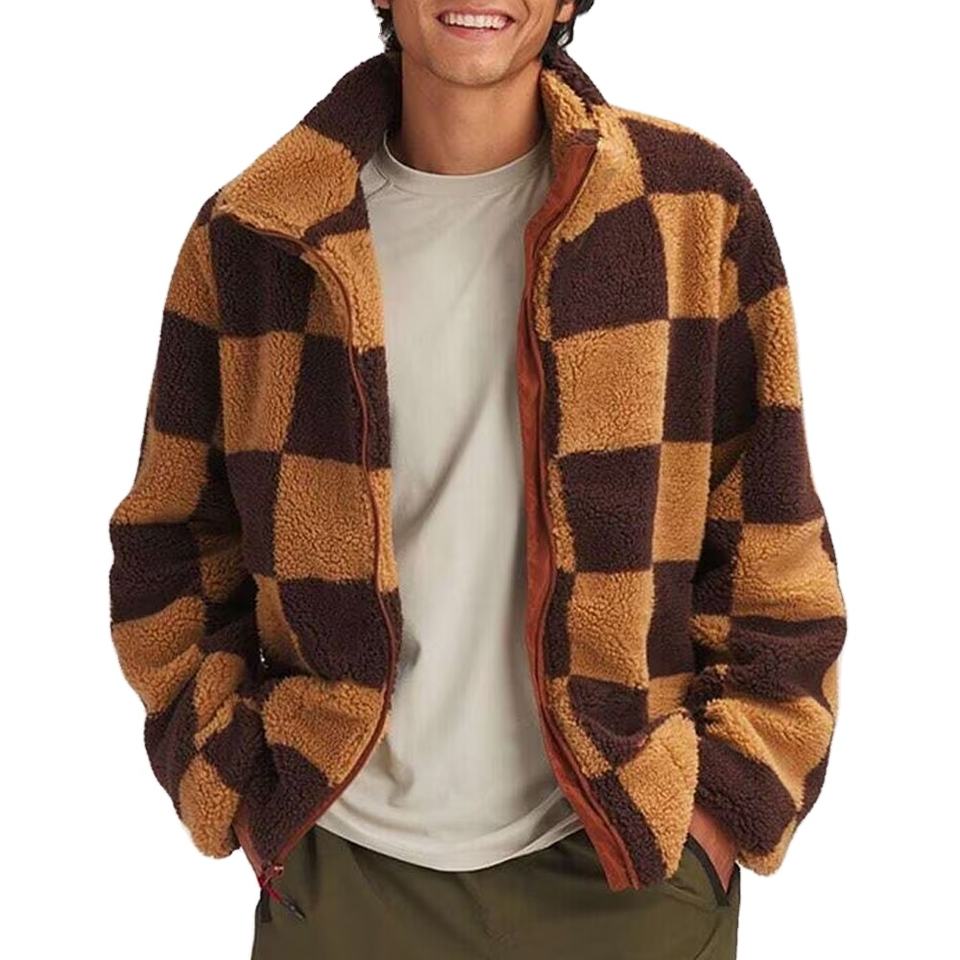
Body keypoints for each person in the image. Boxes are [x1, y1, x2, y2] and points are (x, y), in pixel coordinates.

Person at [106, 2, 847, 957]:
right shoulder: (256, 235)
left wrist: (720, 812)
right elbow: (169, 542)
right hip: (344, 873)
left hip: (627, 870)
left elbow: (773, 543)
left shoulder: (690, 210)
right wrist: (243, 788)